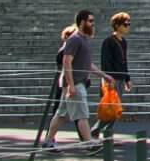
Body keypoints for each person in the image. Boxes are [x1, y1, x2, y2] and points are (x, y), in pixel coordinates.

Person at [45, 10, 109, 149]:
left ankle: (48, 141)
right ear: (82, 22)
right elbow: (66, 61)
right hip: (75, 83)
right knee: (82, 115)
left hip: (76, 82)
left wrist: (104, 75)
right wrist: (71, 85)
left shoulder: (85, 40)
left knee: (61, 114)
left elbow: (88, 64)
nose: (93, 24)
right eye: (90, 21)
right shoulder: (74, 39)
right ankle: (88, 143)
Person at [91, 12, 132, 139]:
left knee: (115, 109)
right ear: (117, 26)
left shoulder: (123, 41)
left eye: (128, 24)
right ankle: (96, 130)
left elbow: (124, 61)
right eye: (125, 24)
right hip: (111, 79)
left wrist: (127, 78)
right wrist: (108, 79)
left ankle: (106, 133)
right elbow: (106, 62)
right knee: (111, 108)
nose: (128, 26)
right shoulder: (108, 41)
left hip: (120, 78)